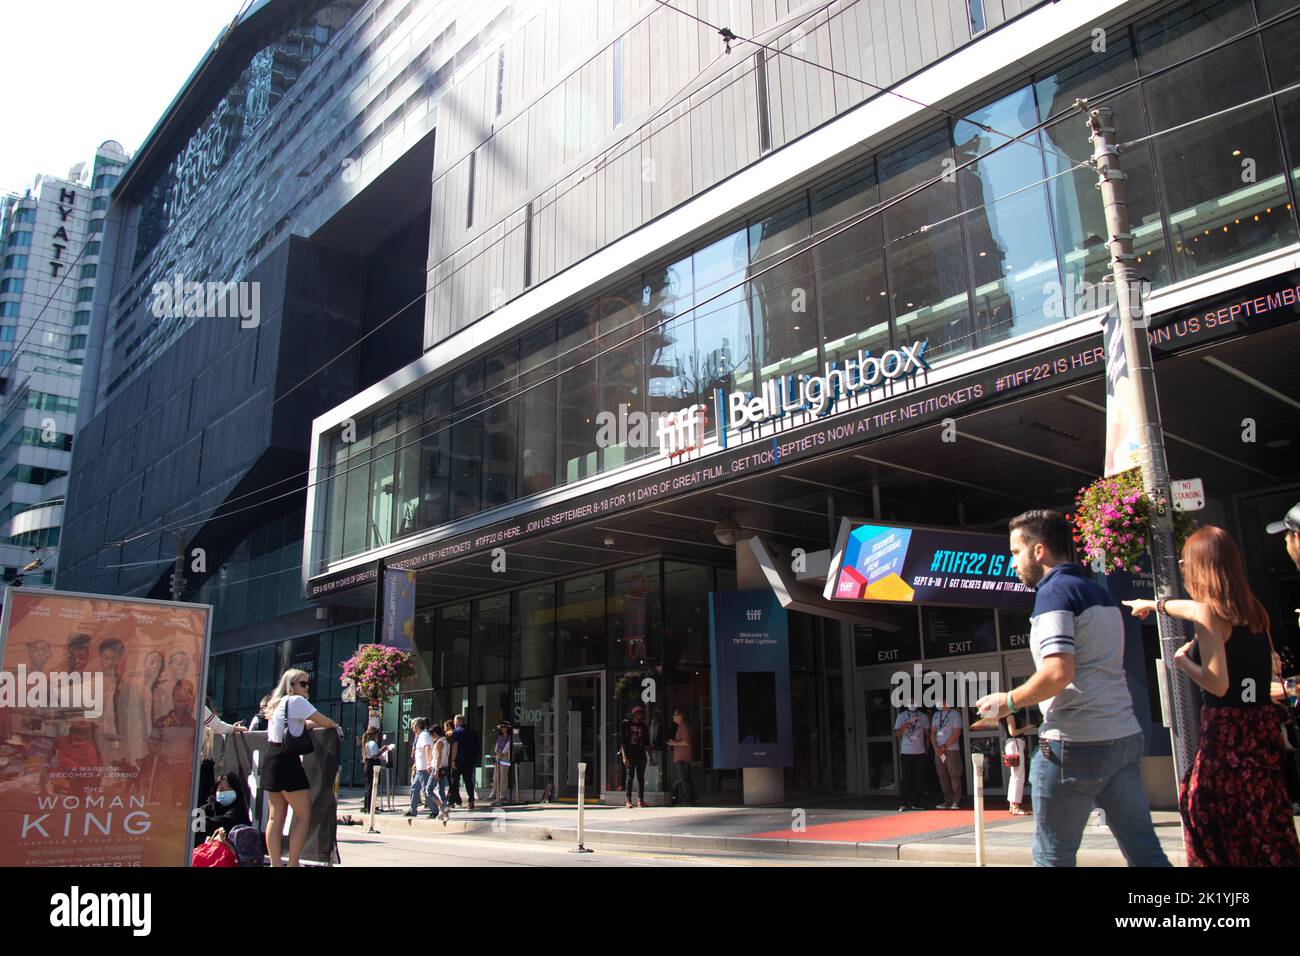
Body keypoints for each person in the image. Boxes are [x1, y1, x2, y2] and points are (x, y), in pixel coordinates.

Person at [976, 509, 1169, 867]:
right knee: (1145, 851)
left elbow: (1058, 671)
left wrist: (1009, 701)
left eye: (1015, 552)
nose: (1012, 563)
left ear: (1038, 551)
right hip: (1123, 737)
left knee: (1053, 855)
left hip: (1074, 745)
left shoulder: (1054, 593)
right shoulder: (1099, 593)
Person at [1125, 526, 1300, 867]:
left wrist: (1184, 663)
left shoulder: (1209, 614)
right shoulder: (1254, 612)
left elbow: (1217, 684)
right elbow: (1191, 610)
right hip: (1261, 732)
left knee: (1202, 810)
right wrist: (1154, 604)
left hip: (1227, 737)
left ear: (1199, 567)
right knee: (1263, 823)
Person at [262, 668, 340, 867]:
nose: (307, 687)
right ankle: (294, 862)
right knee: (304, 815)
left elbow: (297, 725)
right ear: (291, 685)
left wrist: (310, 724)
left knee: (275, 816)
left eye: (308, 683)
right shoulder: (297, 701)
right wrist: (334, 726)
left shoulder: (277, 704)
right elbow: (326, 722)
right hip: (288, 761)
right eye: (303, 684)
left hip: (272, 757)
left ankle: (275, 864)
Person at [196, 771, 252, 846]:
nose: (225, 792)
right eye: (221, 789)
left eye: (229, 789)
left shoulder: (238, 809)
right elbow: (196, 813)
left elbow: (223, 822)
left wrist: (201, 821)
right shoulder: (213, 804)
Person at [893, 698, 929, 811]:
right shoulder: (901, 716)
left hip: (920, 751)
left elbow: (927, 733)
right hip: (906, 752)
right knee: (906, 778)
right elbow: (896, 734)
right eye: (910, 702)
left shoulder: (923, 716)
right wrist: (905, 726)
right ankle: (903, 803)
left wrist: (926, 748)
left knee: (918, 779)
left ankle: (916, 803)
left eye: (914, 702)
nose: (912, 704)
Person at [930, 695, 964, 810]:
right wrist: (936, 748)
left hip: (951, 749)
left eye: (939, 701)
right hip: (938, 751)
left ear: (946, 701)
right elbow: (933, 732)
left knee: (954, 775)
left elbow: (956, 733)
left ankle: (956, 801)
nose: (937, 703)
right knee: (942, 776)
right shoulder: (936, 715)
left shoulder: (955, 714)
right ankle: (947, 800)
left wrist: (944, 746)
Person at [1004, 709, 1037, 815]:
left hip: (1014, 744)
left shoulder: (1009, 715)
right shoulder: (1010, 715)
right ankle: (1015, 806)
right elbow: (1012, 732)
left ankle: (1012, 805)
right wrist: (1026, 728)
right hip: (1015, 744)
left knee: (1015, 776)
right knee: (1018, 776)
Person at [620, 705, 651, 808]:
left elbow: (647, 742)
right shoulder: (626, 724)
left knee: (641, 778)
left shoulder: (643, 726)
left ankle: (640, 800)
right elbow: (623, 742)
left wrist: (650, 756)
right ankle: (628, 800)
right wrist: (624, 756)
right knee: (630, 777)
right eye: (639, 713)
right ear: (634, 714)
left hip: (641, 755)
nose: (641, 715)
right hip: (630, 755)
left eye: (642, 713)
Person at [405, 718, 436, 817]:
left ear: (417, 725)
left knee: (427, 790)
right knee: (414, 788)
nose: (411, 727)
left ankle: (435, 811)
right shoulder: (420, 736)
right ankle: (412, 810)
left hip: (424, 769)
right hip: (420, 769)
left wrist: (428, 763)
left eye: (413, 725)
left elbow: (427, 748)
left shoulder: (424, 735)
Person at [666, 708, 696, 807]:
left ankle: (688, 800)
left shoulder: (684, 727)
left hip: (682, 757)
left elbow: (686, 742)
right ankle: (684, 800)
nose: (673, 716)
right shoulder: (681, 726)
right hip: (681, 757)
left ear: (680, 716)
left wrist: (674, 743)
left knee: (684, 779)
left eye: (675, 714)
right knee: (683, 779)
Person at [449, 714, 480, 811]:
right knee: (468, 781)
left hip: (459, 760)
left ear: (458, 721)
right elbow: (477, 746)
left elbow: (455, 746)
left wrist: (453, 760)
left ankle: (451, 801)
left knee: (454, 781)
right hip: (469, 760)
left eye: (455, 721)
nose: (454, 723)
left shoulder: (457, 731)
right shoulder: (472, 731)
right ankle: (471, 800)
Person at [429, 724, 451, 821]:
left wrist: (436, 770)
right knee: (441, 790)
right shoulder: (446, 742)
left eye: (431, 735)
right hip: (445, 768)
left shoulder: (439, 743)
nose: (431, 737)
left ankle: (442, 807)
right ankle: (444, 812)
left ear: (434, 733)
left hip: (438, 768)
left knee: (428, 789)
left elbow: (438, 757)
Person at [361, 727, 382, 813]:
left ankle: (367, 806)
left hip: (367, 764)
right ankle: (370, 808)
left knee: (368, 787)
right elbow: (375, 756)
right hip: (372, 764)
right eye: (377, 734)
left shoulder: (367, 743)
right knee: (372, 787)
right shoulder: (372, 743)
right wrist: (383, 750)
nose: (378, 736)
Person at [491, 723, 512, 805]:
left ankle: (502, 794)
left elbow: (508, 746)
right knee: (496, 775)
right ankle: (494, 792)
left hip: (505, 756)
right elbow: (496, 746)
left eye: (505, 728)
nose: (503, 729)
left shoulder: (509, 737)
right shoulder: (499, 737)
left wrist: (502, 753)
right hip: (498, 755)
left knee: (504, 774)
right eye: (502, 728)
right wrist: (497, 753)